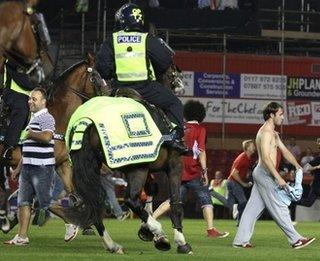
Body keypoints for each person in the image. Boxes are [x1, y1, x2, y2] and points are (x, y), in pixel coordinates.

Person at [95, 3, 186, 151]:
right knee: (174, 103)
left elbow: (103, 70)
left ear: (123, 20)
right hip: (146, 89)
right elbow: (164, 63)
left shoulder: (112, 39)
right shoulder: (147, 39)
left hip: (119, 90)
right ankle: (175, 138)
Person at [233, 102, 315, 249]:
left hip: (264, 173)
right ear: (271, 115)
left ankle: (240, 241)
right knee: (279, 207)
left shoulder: (274, 133)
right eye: (280, 114)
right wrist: (278, 177)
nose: (283, 117)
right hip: (264, 173)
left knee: (252, 209)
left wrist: (297, 165)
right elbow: (265, 157)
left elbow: (284, 151)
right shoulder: (265, 132)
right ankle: (295, 240)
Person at [3, 88, 77, 245]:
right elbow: (28, 147)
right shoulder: (33, 118)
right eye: (30, 99)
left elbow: (47, 137)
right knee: (24, 202)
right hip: (29, 165)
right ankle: (22, 237)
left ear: (44, 102)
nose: (30, 101)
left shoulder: (46, 117)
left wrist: (30, 134)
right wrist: (18, 168)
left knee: (45, 202)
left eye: (34, 99)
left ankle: (71, 220)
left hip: (42, 166)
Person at [152, 100, 229, 238]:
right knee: (206, 200)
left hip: (177, 170)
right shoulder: (201, 130)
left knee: (172, 200)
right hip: (194, 172)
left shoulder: (178, 127)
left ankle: (150, 219)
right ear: (201, 114)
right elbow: (201, 151)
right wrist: (205, 172)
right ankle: (211, 230)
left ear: (186, 113)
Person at [1, 60, 37, 159]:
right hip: (12, 92)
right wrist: (36, 86)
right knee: (22, 109)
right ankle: (8, 146)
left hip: (30, 94)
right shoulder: (11, 59)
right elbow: (20, 79)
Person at [299, 149, 320, 221]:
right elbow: (305, 168)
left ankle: (292, 201)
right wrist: (317, 167)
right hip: (319, 185)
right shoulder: (319, 159)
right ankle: (292, 201)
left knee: (308, 203)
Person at [225, 139, 255, 224]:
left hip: (231, 181)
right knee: (243, 202)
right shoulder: (243, 157)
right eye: (253, 145)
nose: (254, 147)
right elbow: (234, 173)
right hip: (233, 182)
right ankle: (239, 216)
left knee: (228, 204)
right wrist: (243, 184)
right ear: (248, 147)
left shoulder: (248, 158)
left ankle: (239, 220)